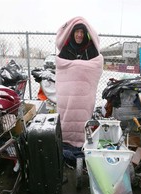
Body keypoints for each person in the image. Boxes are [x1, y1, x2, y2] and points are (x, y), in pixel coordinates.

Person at [55, 17, 103, 168]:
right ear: (73, 33)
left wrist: (78, 66)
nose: (80, 35)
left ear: (86, 34)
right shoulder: (66, 49)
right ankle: (65, 143)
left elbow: (96, 66)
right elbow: (61, 67)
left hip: (84, 94)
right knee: (66, 116)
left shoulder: (91, 50)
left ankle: (80, 145)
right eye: (77, 31)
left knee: (82, 117)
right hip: (68, 93)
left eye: (82, 32)